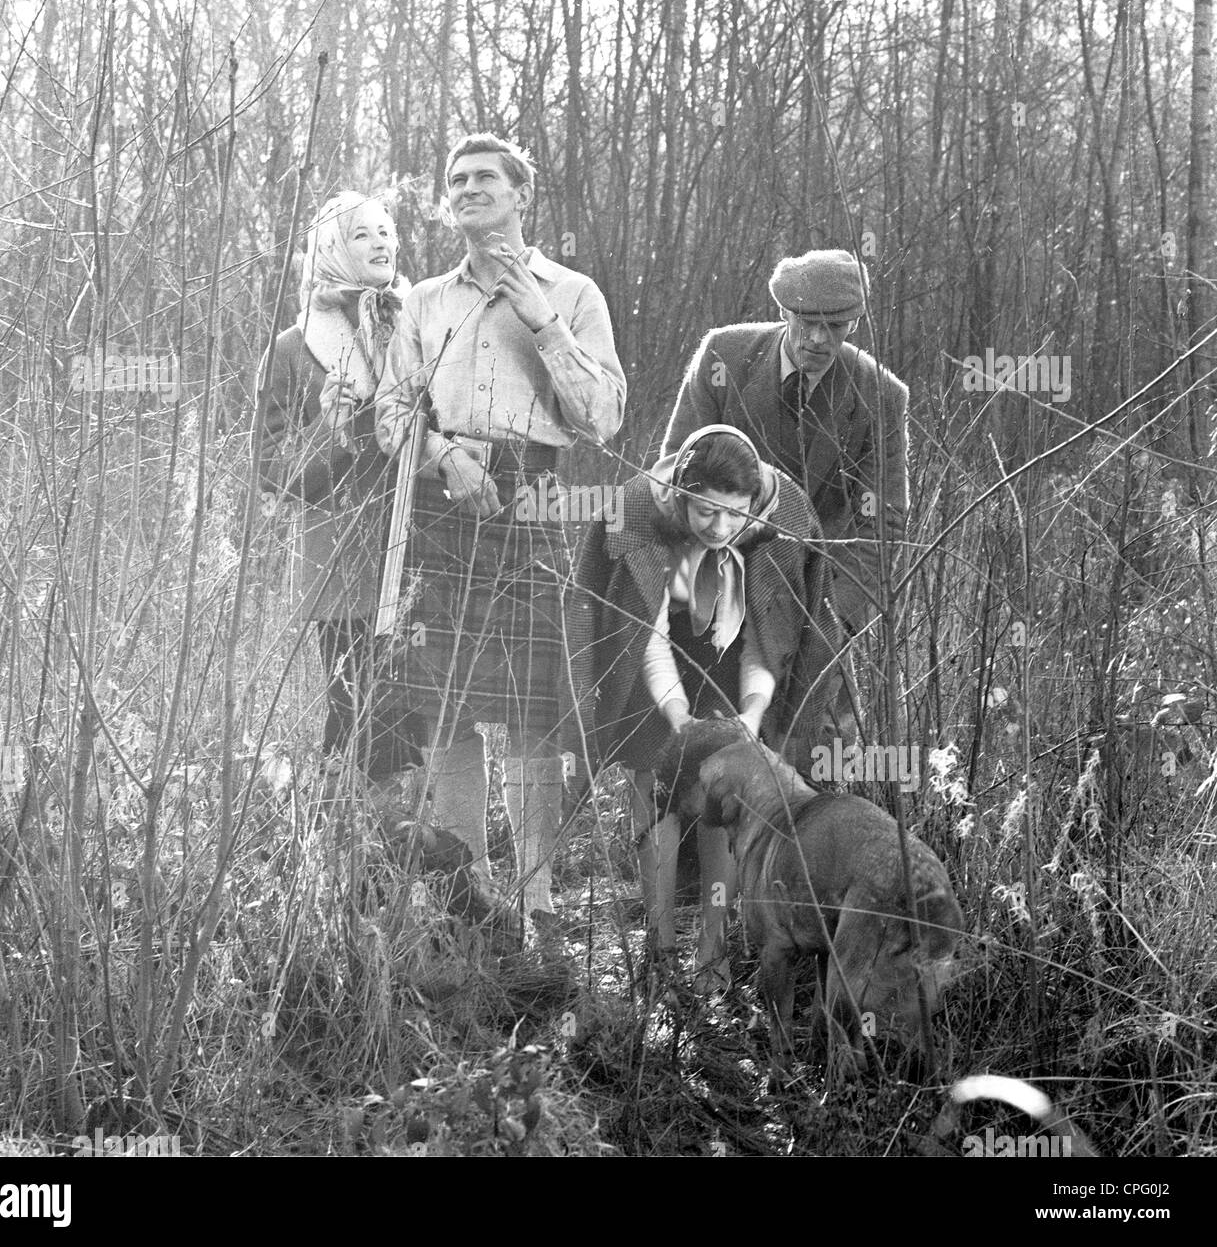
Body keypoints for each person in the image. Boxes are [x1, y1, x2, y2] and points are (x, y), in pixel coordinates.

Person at [375, 133, 625, 943]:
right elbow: (390, 415)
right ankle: (469, 894)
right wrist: (443, 457)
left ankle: (539, 899)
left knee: (532, 716)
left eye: (486, 178)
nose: (469, 189)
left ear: (521, 194)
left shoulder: (574, 292)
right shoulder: (424, 302)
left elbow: (603, 417)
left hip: (538, 509)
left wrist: (543, 321)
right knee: (446, 708)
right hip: (446, 509)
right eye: (457, 182)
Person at [566, 425, 838, 989]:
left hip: (733, 655)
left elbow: (770, 641)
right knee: (655, 790)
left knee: (726, 795)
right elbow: (646, 636)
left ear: (752, 506)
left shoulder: (783, 523)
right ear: (682, 496)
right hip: (655, 657)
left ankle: (712, 947)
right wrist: (678, 719)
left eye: (733, 516)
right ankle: (659, 945)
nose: (719, 528)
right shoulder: (639, 514)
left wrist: (751, 719)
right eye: (705, 513)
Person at [662, 249, 909, 738]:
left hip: (811, 597)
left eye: (836, 326)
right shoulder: (723, 358)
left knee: (812, 761)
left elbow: (881, 524)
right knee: (689, 758)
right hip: (710, 585)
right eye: (806, 322)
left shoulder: (880, 395)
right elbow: (673, 475)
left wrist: (826, 615)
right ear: (783, 312)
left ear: (854, 324)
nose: (818, 339)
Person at [256, 191, 417, 797]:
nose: (381, 243)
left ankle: (425, 859)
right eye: (360, 235)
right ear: (329, 252)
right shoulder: (295, 349)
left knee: (426, 714)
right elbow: (273, 466)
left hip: (427, 548)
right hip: (344, 563)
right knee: (361, 710)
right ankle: (342, 845)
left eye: (386, 231)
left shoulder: (421, 322)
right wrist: (331, 426)